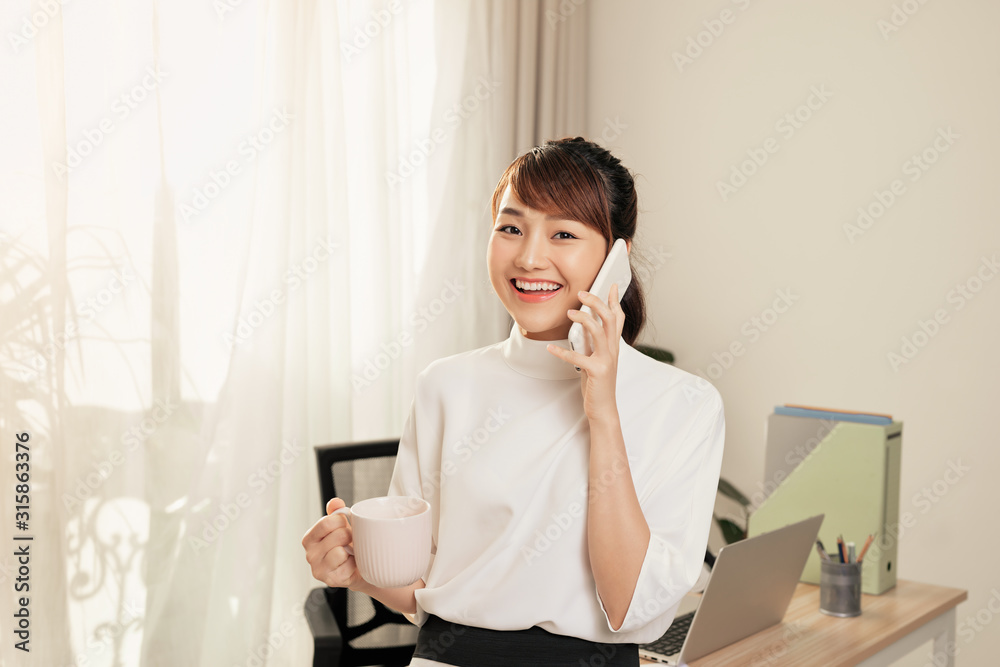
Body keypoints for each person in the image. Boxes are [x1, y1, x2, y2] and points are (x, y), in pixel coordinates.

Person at [303, 137, 726, 666]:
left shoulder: (683, 405)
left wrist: (603, 412)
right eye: (511, 227)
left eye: (564, 233)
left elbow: (630, 609)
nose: (528, 257)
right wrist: (356, 569)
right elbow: (424, 594)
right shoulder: (445, 386)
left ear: (619, 257)